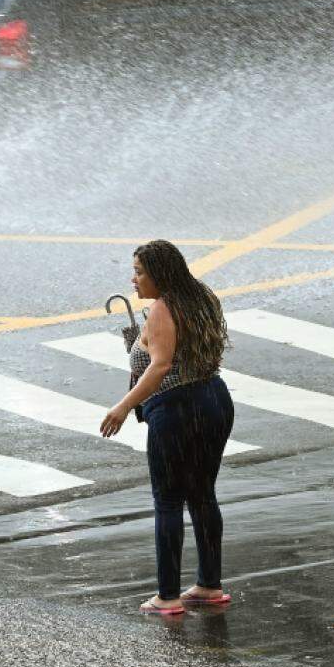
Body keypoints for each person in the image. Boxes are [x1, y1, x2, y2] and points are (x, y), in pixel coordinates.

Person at [99, 240, 236, 616]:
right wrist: (139, 342)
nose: (134, 279)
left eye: (140, 272)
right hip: (214, 399)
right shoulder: (201, 297)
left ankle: (168, 596)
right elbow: (183, 350)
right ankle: (209, 585)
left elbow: (160, 366)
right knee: (203, 494)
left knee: (169, 499)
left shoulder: (162, 308)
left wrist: (123, 407)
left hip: (176, 409)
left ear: (159, 273)